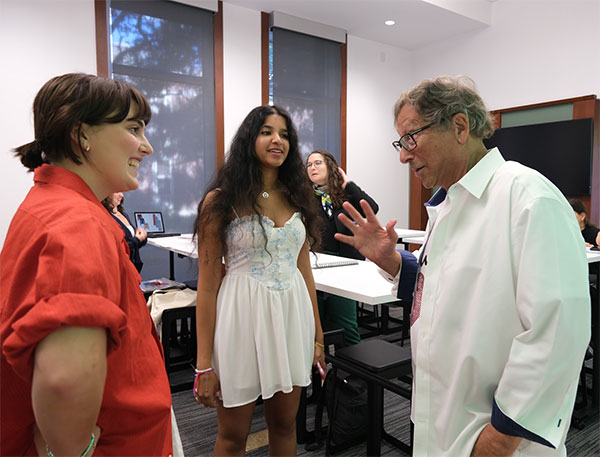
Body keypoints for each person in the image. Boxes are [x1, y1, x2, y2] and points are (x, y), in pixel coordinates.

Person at [334, 76, 590, 456]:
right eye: (400, 143)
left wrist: (501, 438)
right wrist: (393, 261)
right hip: (444, 422)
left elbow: (558, 332)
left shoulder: (528, 197)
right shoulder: (448, 204)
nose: (403, 155)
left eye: (411, 138)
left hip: (497, 437)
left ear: (458, 126)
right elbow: (442, 288)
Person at [0, 73, 175, 456]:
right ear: (82, 135)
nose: (146, 147)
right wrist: (75, 448)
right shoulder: (78, 223)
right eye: (134, 128)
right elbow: (64, 380)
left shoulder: (52, 203)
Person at [192, 105, 326, 456]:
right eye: (267, 131)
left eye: (284, 134)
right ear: (250, 138)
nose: (277, 139)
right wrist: (203, 362)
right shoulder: (220, 202)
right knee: (233, 436)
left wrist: (318, 335)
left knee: (284, 426)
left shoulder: (299, 196)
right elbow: (206, 287)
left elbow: (304, 270)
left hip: (290, 318)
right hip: (240, 320)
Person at [306, 149, 379, 345]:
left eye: (318, 163)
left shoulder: (344, 194)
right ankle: (317, 372)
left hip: (345, 265)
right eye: (309, 164)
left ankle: (349, 373)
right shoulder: (303, 197)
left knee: (346, 324)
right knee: (314, 325)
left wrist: (348, 184)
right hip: (315, 265)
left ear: (331, 168)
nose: (312, 167)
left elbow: (372, 208)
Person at [102, 191, 148, 272]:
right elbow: (119, 247)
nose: (121, 195)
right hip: (119, 269)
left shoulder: (123, 214)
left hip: (131, 267)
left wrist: (142, 237)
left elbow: (133, 243)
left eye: (121, 191)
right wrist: (137, 239)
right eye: (116, 191)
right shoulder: (105, 217)